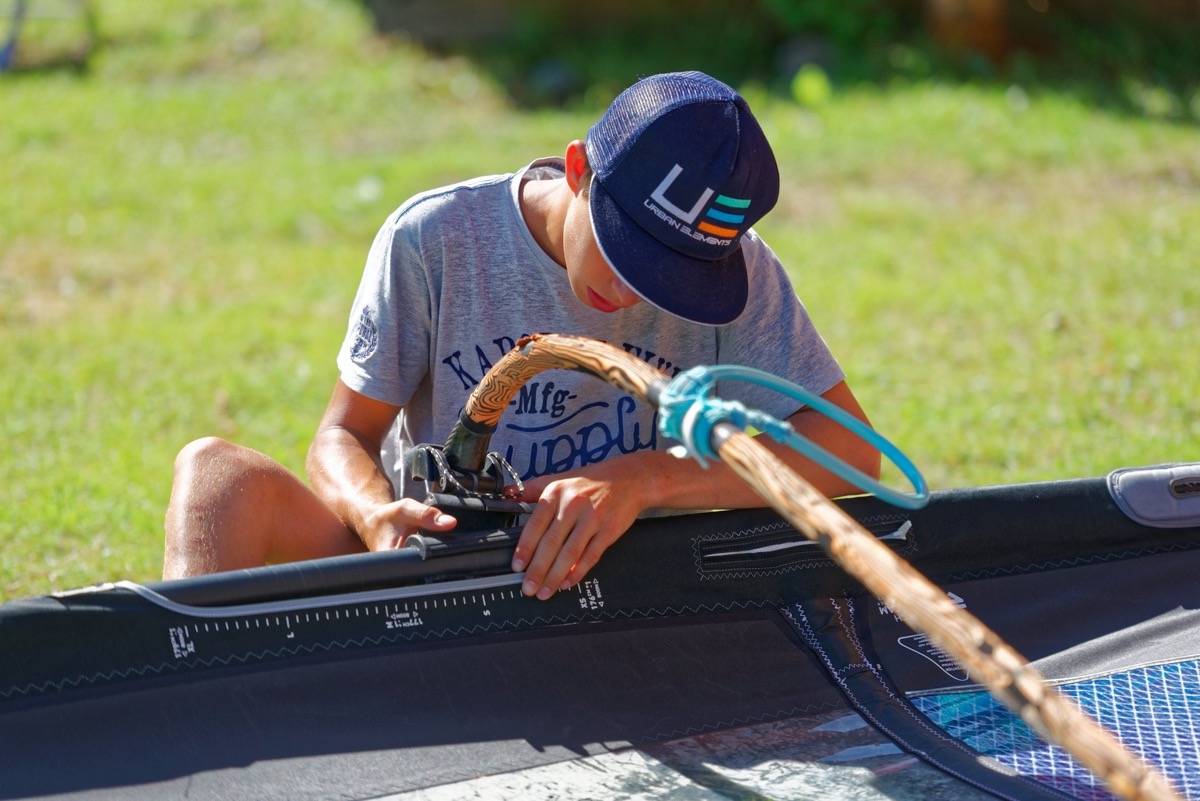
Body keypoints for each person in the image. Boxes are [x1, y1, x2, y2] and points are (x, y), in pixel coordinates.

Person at [163, 71, 880, 600]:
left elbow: (851, 453)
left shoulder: (741, 278)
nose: (631, 292)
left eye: (674, 276)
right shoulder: (436, 239)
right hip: (432, 582)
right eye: (625, 251)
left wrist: (647, 479)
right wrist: (375, 514)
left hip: (613, 594)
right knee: (214, 476)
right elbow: (342, 436)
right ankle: (176, 722)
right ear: (577, 169)